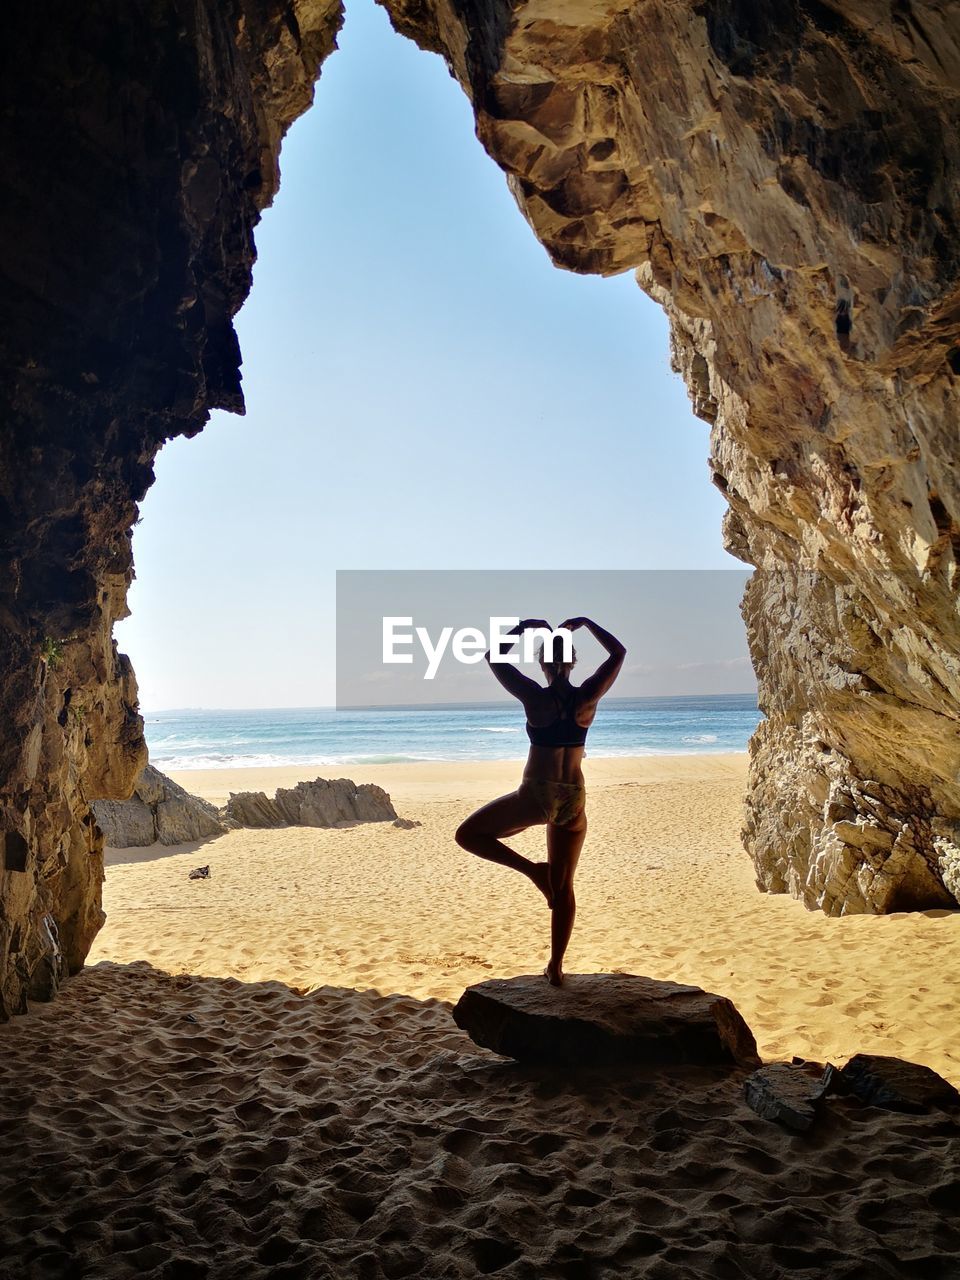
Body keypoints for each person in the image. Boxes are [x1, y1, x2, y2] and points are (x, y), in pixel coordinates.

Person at [455, 616, 626, 986]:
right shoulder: (588, 696)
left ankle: (533, 871)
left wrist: (523, 627)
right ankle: (556, 966)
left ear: (543, 664)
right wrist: (586, 623)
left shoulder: (535, 696)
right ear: (573, 662)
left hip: (536, 793)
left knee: (469, 835)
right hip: (574, 798)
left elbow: (494, 657)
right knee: (564, 886)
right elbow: (618, 652)